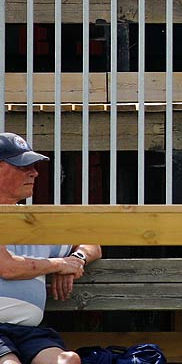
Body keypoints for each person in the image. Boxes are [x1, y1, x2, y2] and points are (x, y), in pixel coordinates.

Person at [0, 132, 100, 364]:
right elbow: (7, 268)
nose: (34, 172)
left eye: (33, 166)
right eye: (22, 166)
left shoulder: (33, 222)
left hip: (28, 332)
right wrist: (58, 264)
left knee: (67, 361)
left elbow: (92, 243)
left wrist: (77, 259)